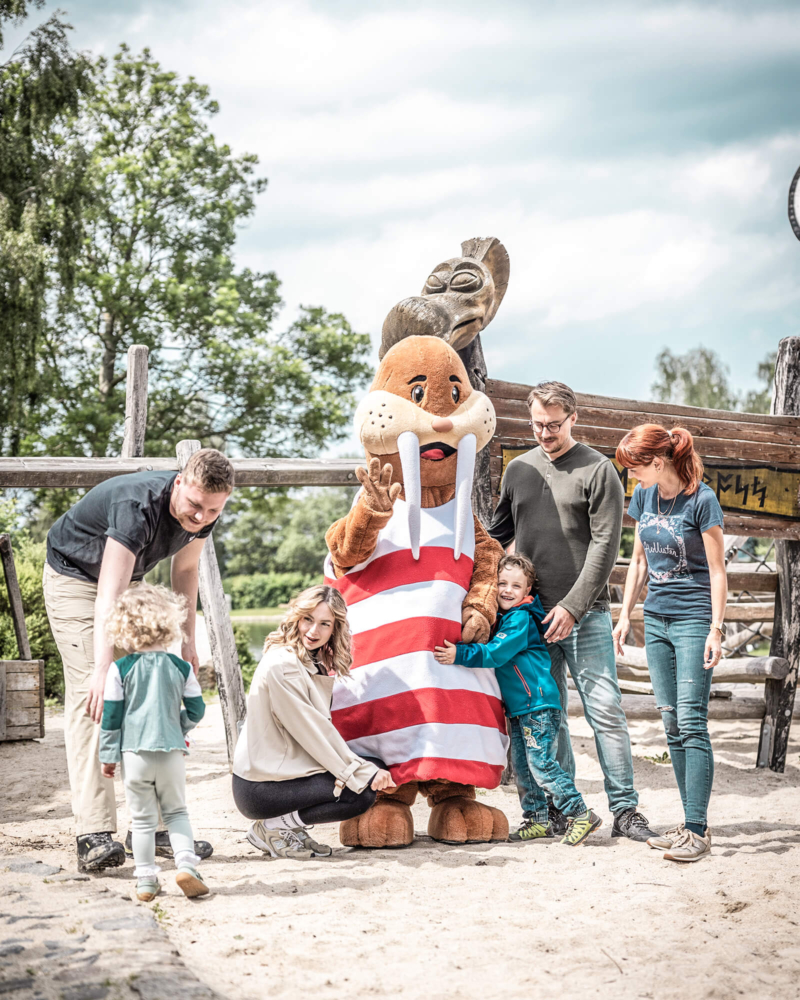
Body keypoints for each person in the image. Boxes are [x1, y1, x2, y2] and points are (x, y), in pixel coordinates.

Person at [43, 448, 234, 871]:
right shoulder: (137, 506)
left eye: (212, 510)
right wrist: (102, 669)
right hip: (75, 578)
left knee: (150, 690)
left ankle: (154, 828)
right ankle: (93, 833)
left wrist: (187, 641)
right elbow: (107, 597)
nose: (201, 516)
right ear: (179, 482)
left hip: (125, 580)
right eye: (195, 505)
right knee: (94, 697)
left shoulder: (205, 511)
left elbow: (185, 572)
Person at [489, 380, 657, 841]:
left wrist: (572, 607)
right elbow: (495, 538)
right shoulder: (518, 470)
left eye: (554, 425)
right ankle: (562, 811)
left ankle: (625, 810)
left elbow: (606, 547)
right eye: (537, 425)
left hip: (587, 614)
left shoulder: (599, 470)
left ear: (573, 419)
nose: (545, 433)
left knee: (605, 711)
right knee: (548, 715)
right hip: (530, 620)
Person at [613, 424, 726, 863]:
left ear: (658, 462)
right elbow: (638, 561)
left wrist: (716, 628)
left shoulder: (702, 500)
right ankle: (689, 824)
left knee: (692, 722)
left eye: (634, 467)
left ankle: (697, 830)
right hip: (656, 620)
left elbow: (717, 570)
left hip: (694, 619)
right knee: (672, 724)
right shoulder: (643, 497)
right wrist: (625, 616)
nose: (630, 475)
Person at [435, 553, 603, 847]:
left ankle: (581, 814)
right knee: (523, 768)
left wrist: (459, 654)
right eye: (502, 583)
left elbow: (496, 654)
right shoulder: (503, 619)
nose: (507, 590)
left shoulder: (520, 619)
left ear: (528, 590)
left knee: (541, 765)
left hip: (537, 705)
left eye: (516, 585)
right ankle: (537, 819)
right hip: (519, 708)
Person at [232, 584, 395, 859]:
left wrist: (363, 767)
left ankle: (286, 827)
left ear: (334, 629)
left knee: (371, 767)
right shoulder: (283, 666)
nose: (313, 631)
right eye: (308, 619)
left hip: (281, 773)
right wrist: (359, 771)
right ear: (297, 617)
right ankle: (272, 827)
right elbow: (313, 732)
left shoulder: (309, 660)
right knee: (360, 792)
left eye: (324, 624)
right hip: (260, 787)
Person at [99, 584, 209, 901]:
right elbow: (197, 709)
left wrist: (108, 754)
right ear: (169, 623)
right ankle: (186, 865)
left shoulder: (120, 669)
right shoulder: (181, 667)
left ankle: (146, 880)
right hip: (171, 752)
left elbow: (111, 717)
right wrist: (177, 727)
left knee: (143, 821)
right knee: (176, 813)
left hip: (135, 755)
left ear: (124, 628)